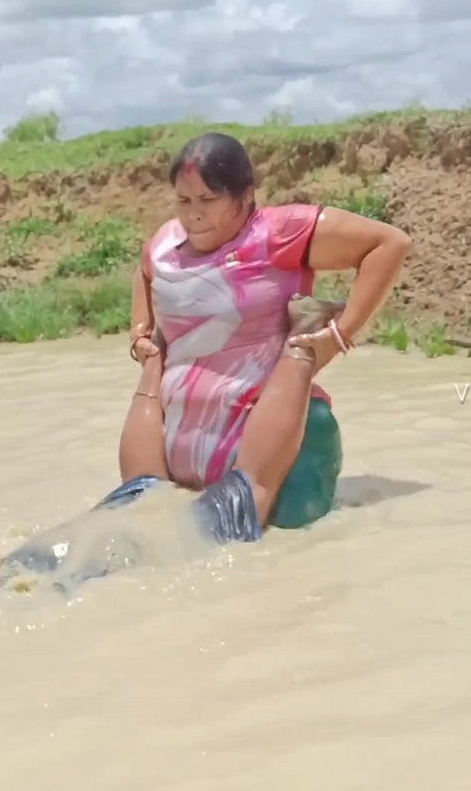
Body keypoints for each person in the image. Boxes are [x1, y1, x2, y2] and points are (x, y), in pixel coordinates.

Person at [107, 131, 411, 542]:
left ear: (246, 196)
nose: (193, 214)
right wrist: (139, 332)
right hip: (181, 435)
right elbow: (146, 272)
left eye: (208, 201)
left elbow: (388, 243)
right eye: (183, 200)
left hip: (272, 443)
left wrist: (339, 334)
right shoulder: (165, 243)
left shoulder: (278, 233)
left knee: (289, 555)